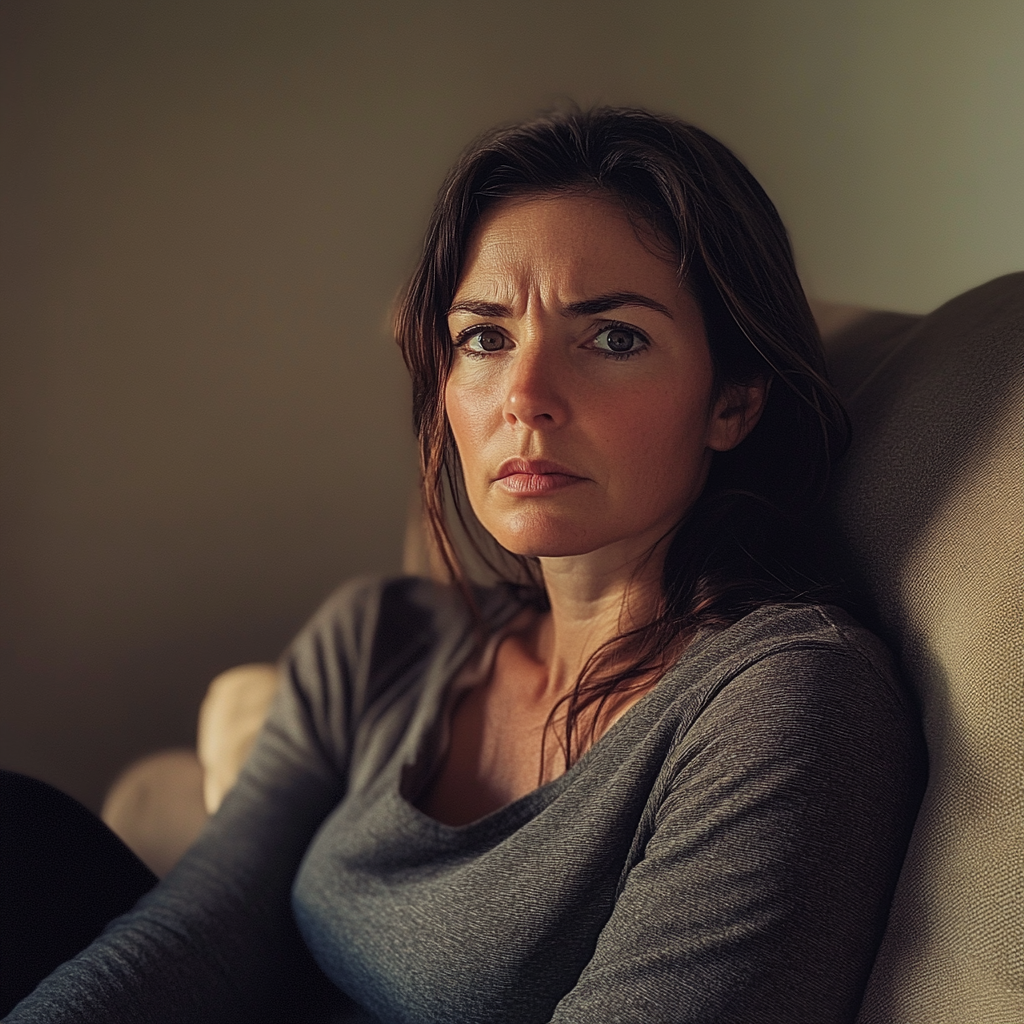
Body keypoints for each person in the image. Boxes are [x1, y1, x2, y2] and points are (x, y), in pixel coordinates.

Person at [6, 107, 925, 1023]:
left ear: (733, 401)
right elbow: (201, 931)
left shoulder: (783, 699)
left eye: (611, 338)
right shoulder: (379, 642)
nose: (525, 397)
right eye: (485, 337)